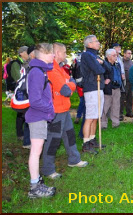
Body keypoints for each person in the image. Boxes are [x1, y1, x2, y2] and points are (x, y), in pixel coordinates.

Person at [41, 43, 88, 180]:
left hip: (65, 109)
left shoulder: (60, 69)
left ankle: (74, 159)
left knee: (70, 135)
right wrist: (71, 84)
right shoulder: (52, 70)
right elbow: (67, 90)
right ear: (57, 53)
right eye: (64, 52)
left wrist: (69, 84)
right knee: (53, 140)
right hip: (56, 111)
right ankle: (48, 169)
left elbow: (70, 83)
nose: (66, 54)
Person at [25, 43, 56, 198]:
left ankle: (36, 182)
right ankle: (34, 187)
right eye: (52, 53)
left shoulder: (40, 70)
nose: (54, 56)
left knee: (37, 151)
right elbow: (35, 100)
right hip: (37, 116)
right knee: (36, 152)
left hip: (39, 116)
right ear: (43, 54)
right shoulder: (37, 72)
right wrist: (50, 109)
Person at [80, 35, 105, 154]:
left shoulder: (95, 55)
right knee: (90, 117)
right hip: (91, 89)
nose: (99, 43)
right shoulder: (86, 55)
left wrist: (101, 63)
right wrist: (100, 64)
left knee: (96, 116)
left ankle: (92, 139)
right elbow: (99, 70)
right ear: (89, 44)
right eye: (96, 41)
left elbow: (107, 68)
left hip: (98, 88)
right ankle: (85, 143)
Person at [10, 46, 31, 148]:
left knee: (25, 113)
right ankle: (20, 134)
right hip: (20, 91)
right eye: (27, 52)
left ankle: (25, 136)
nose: (28, 54)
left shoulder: (27, 63)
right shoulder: (16, 63)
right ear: (21, 53)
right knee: (20, 114)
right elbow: (17, 77)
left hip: (25, 90)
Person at [101, 49, 122, 129]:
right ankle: (103, 124)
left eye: (116, 55)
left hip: (117, 88)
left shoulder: (117, 65)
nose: (116, 57)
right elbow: (99, 75)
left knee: (116, 106)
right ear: (108, 56)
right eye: (114, 55)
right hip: (108, 89)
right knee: (105, 107)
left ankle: (116, 124)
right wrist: (104, 81)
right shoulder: (104, 64)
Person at [121, 49, 133, 118]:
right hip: (124, 82)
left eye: (130, 53)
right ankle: (120, 113)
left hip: (130, 82)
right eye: (128, 53)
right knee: (122, 98)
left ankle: (129, 112)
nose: (130, 54)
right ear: (124, 54)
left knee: (130, 98)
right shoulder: (121, 61)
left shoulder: (131, 62)